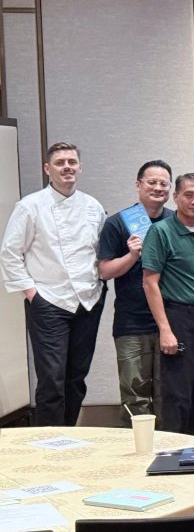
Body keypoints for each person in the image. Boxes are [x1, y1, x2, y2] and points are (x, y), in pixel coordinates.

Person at [1, 142, 106, 426]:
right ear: (48, 169)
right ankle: (48, 440)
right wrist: (32, 294)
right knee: (51, 380)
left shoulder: (93, 206)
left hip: (88, 300)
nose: (67, 167)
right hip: (49, 301)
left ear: (80, 168)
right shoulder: (30, 206)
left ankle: (69, 434)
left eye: (72, 162)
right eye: (60, 163)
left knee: (76, 378)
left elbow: (100, 251)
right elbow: (10, 253)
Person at [141, 174, 194, 436]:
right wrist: (165, 329)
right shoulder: (161, 232)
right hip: (180, 318)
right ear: (175, 197)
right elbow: (150, 283)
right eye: (189, 195)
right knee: (178, 393)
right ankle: (175, 450)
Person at [98, 160, 174, 426]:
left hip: (172, 320)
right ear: (138, 184)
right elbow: (105, 271)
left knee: (168, 394)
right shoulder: (118, 223)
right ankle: (138, 447)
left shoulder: (176, 222)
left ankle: (167, 446)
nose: (158, 188)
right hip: (131, 322)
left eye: (164, 183)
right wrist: (132, 255)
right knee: (134, 395)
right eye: (151, 182)